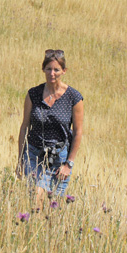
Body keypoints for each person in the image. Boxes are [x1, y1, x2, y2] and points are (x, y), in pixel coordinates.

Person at [16, 49, 84, 211]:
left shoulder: (74, 97)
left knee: (52, 205)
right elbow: (25, 126)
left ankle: (43, 233)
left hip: (59, 158)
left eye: (56, 70)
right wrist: (20, 159)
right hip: (33, 153)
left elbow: (78, 132)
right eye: (48, 69)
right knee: (36, 195)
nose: (52, 73)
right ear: (43, 70)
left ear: (64, 71)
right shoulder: (33, 94)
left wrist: (69, 163)